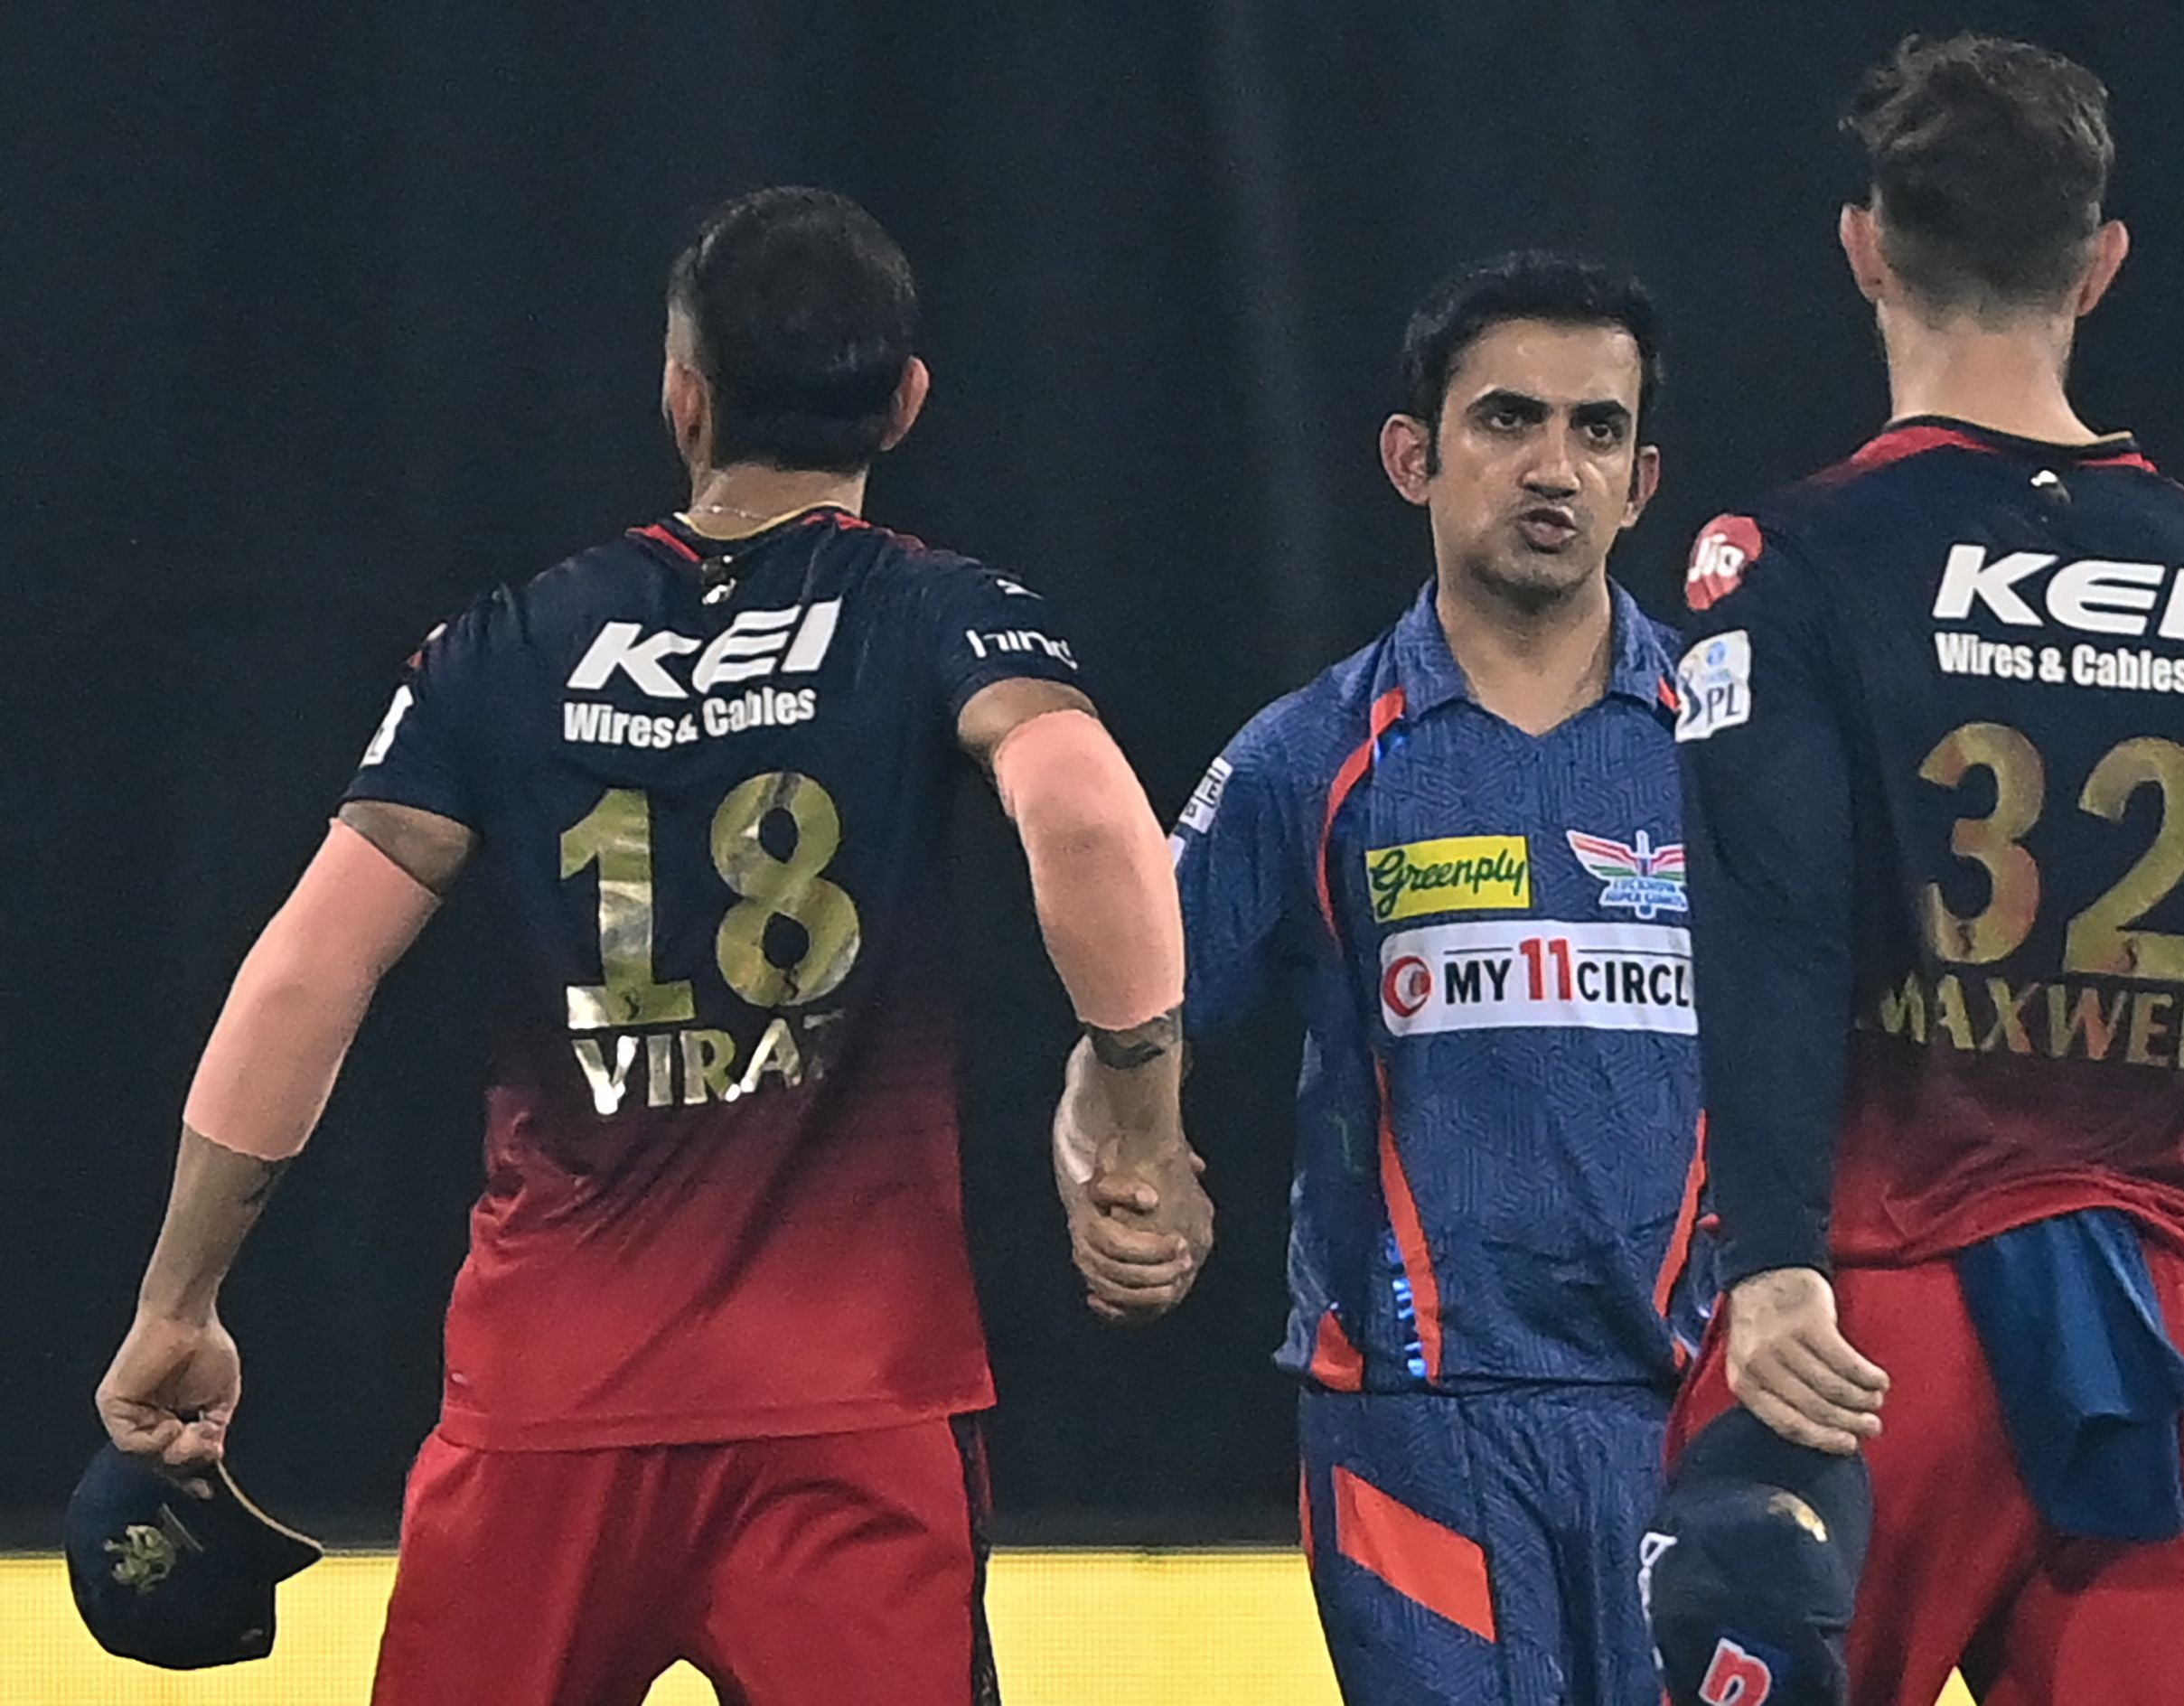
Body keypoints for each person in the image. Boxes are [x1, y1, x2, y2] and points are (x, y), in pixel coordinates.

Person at [91, 185, 1206, 1706]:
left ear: (682, 398)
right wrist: (1140, 1118)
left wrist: (177, 1303)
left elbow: (306, 972)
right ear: (905, 402)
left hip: (545, 1408)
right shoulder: (946, 616)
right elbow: (1084, 819)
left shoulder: (505, 643)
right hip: (850, 1411)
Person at [1663, 34, 2184, 1706]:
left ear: (1864, 248)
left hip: (1873, 1314)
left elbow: (1772, 933)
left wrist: (1768, 1263)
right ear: (2103, 265)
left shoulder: (1784, 561)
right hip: (2168, 1312)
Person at [1062, 252, 1709, 1705]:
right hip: (1414, 1422)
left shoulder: (1728, 753)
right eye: (1507, 421)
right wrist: (1119, 1173)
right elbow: (1123, 1020)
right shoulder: (1310, 756)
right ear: (1413, 456)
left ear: (1643, 477)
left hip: (1697, 1414)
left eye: (1596, 431)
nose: (1554, 468)